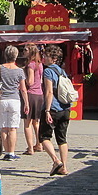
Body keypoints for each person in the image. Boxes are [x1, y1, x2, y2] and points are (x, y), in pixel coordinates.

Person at [0, 45, 29, 160]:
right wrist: (26, 103)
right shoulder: (19, 71)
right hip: (14, 100)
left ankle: (6, 152)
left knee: (3, 128)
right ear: (16, 56)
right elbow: (23, 89)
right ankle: (11, 152)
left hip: (2, 100)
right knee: (12, 128)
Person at [40, 45, 72, 176]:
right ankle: (64, 167)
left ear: (53, 58)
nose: (44, 58)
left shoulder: (48, 71)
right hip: (65, 108)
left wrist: (47, 110)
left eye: (46, 56)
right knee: (62, 139)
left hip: (53, 108)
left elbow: (48, 92)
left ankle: (56, 160)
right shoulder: (62, 71)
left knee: (44, 137)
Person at [22, 43, 44, 154]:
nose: (23, 51)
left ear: (30, 51)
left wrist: (22, 79)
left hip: (31, 94)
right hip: (39, 94)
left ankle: (30, 148)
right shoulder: (40, 64)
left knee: (27, 123)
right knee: (37, 122)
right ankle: (39, 144)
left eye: (25, 50)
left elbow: (30, 82)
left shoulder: (31, 65)